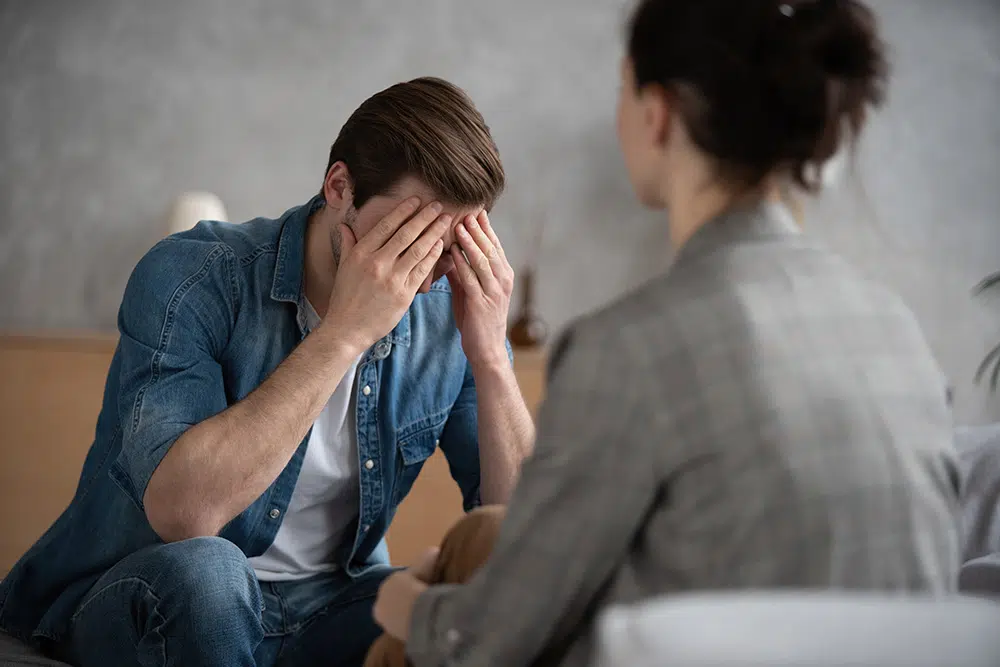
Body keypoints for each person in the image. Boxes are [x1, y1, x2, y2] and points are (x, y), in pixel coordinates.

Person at [368, 1, 963, 665]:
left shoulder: (625, 349)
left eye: (623, 88)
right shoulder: (895, 324)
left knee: (407, 636)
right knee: (482, 537)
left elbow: (487, 641)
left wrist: (405, 603)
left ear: (658, 113)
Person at [0, 77, 535, 667]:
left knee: (462, 600)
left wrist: (490, 356)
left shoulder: (447, 310)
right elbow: (186, 514)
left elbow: (525, 538)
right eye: (410, 234)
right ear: (339, 188)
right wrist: (345, 333)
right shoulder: (194, 275)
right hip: (151, 590)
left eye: (453, 242)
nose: (429, 270)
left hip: (330, 602)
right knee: (211, 573)